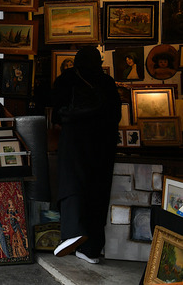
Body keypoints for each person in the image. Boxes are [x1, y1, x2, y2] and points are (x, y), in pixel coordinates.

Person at [51, 46, 121, 264]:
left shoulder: (66, 80)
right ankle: (92, 249)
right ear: (99, 62)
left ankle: (74, 232)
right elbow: (116, 115)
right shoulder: (107, 82)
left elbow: (57, 114)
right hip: (103, 143)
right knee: (98, 191)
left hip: (74, 140)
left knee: (72, 184)